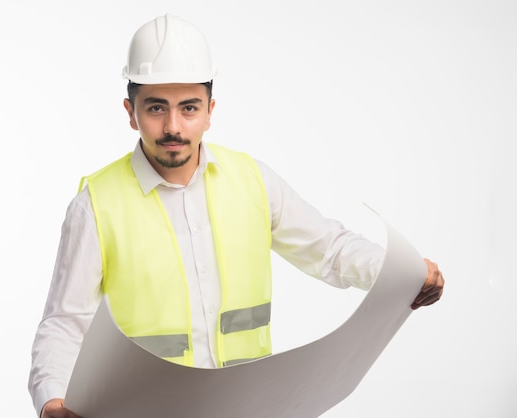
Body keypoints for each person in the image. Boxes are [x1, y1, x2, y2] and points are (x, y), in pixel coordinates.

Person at [28, 13, 445, 418]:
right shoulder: (96, 204)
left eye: (188, 108)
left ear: (210, 110)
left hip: (248, 408)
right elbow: (65, 322)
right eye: (156, 108)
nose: (173, 126)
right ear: (130, 111)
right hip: (148, 410)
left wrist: (402, 273)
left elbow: (329, 250)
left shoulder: (253, 180)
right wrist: (52, 400)